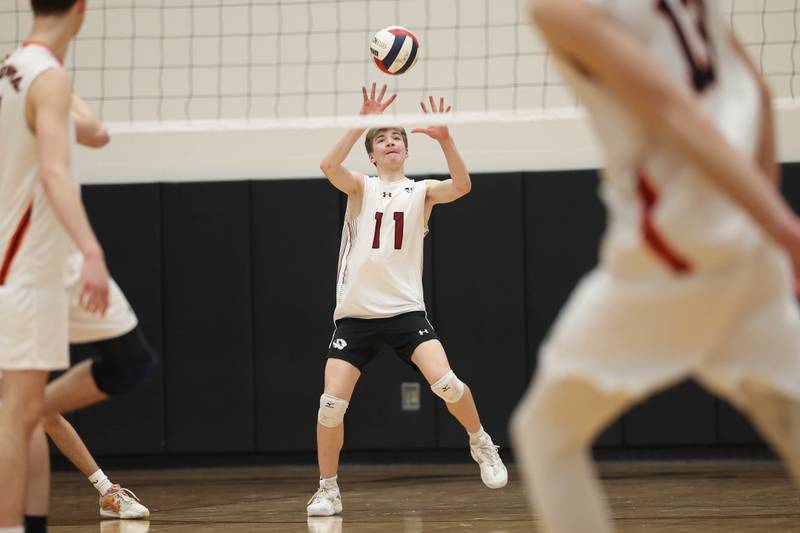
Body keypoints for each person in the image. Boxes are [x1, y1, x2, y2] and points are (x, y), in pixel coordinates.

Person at [510, 1, 800, 532]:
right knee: (787, 407)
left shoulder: (559, 7)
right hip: (745, 236)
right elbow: (755, 90)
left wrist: (783, 230)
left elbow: (674, 112)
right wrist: (770, 225)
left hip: (673, 251)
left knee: (545, 435)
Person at [306, 84, 508, 517]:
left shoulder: (421, 192)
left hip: (404, 311)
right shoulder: (360, 186)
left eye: (396, 137)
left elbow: (463, 185)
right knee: (330, 406)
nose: (391, 142)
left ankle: (481, 442)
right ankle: (328, 488)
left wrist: (446, 139)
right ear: (373, 155)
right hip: (356, 315)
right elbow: (327, 164)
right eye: (381, 139)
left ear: (407, 151)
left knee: (447, 383)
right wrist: (361, 120)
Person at [0, 2, 157, 530]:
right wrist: (92, 248)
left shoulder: (25, 70)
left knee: (127, 362)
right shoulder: (40, 76)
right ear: (82, 9)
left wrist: (61, 81)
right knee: (19, 415)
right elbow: (54, 171)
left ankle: (27, 412)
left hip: (48, 261)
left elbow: (95, 132)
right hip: (26, 264)